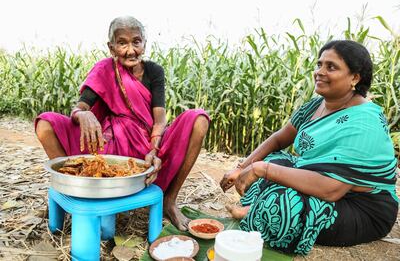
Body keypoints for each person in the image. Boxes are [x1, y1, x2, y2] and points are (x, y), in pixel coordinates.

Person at [220, 40, 398, 255]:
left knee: (283, 206)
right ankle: (258, 208)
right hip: (320, 180)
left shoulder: (364, 122)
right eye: (319, 64)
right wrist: (243, 166)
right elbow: (278, 139)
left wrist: (261, 169)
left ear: (355, 77)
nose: (319, 72)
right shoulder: (317, 104)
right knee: (275, 159)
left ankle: (257, 210)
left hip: (359, 207)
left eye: (331, 67)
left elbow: (331, 189)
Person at [35, 16, 209, 231]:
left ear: (144, 43)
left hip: (147, 145)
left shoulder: (154, 71)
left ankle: (169, 200)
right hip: (108, 145)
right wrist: (83, 115)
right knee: (45, 124)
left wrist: (154, 150)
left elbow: (160, 119)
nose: (130, 50)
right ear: (111, 47)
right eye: (122, 43)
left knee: (199, 119)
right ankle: (77, 192)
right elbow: (80, 108)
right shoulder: (104, 70)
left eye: (136, 42)